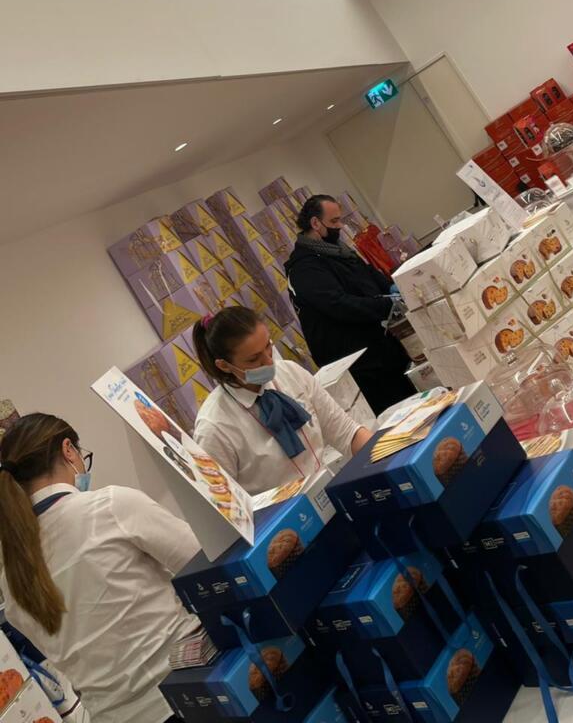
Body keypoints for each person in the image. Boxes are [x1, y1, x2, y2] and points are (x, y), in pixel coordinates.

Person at [0, 413, 201, 723]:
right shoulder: (109, 507)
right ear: (68, 450)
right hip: (189, 694)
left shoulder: (11, 577)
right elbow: (201, 565)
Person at [192, 306, 372, 494]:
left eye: (268, 346)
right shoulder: (214, 428)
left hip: (329, 493)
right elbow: (226, 503)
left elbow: (347, 433)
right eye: (254, 359)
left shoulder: (290, 372)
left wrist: (387, 457)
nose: (269, 362)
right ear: (224, 365)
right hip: (285, 512)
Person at [285, 194, 411, 415]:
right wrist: (386, 304)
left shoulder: (337, 250)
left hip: (379, 345)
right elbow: (339, 304)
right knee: (395, 413)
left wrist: (393, 287)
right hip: (356, 360)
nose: (340, 226)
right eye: (334, 221)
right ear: (315, 223)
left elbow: (367, 273)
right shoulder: (303, 268)